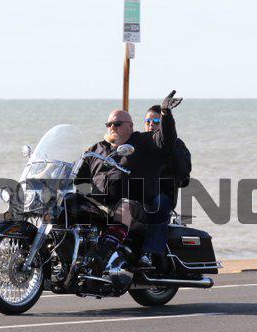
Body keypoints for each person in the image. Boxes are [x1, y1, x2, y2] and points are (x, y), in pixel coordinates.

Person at [76, 91, 183, 272]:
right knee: (68, 204)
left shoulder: (143, 142)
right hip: (101, 204)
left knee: (124, 207)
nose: (112, 127)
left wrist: (165, 114)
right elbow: (77, 177)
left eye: (117, 124)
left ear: (130, 126)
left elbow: (166, 141)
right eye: (109, 124)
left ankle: (103, 254)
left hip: (137, 205)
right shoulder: (96, 149)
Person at [144, 105, 192, 210]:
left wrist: (159, 179)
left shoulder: (176, 144)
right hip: (140, 193)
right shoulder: (139, 142)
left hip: (163, 195)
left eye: (156, 121)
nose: (151, 124)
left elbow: (184, 176)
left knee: (158, 203)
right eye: (148, 121)